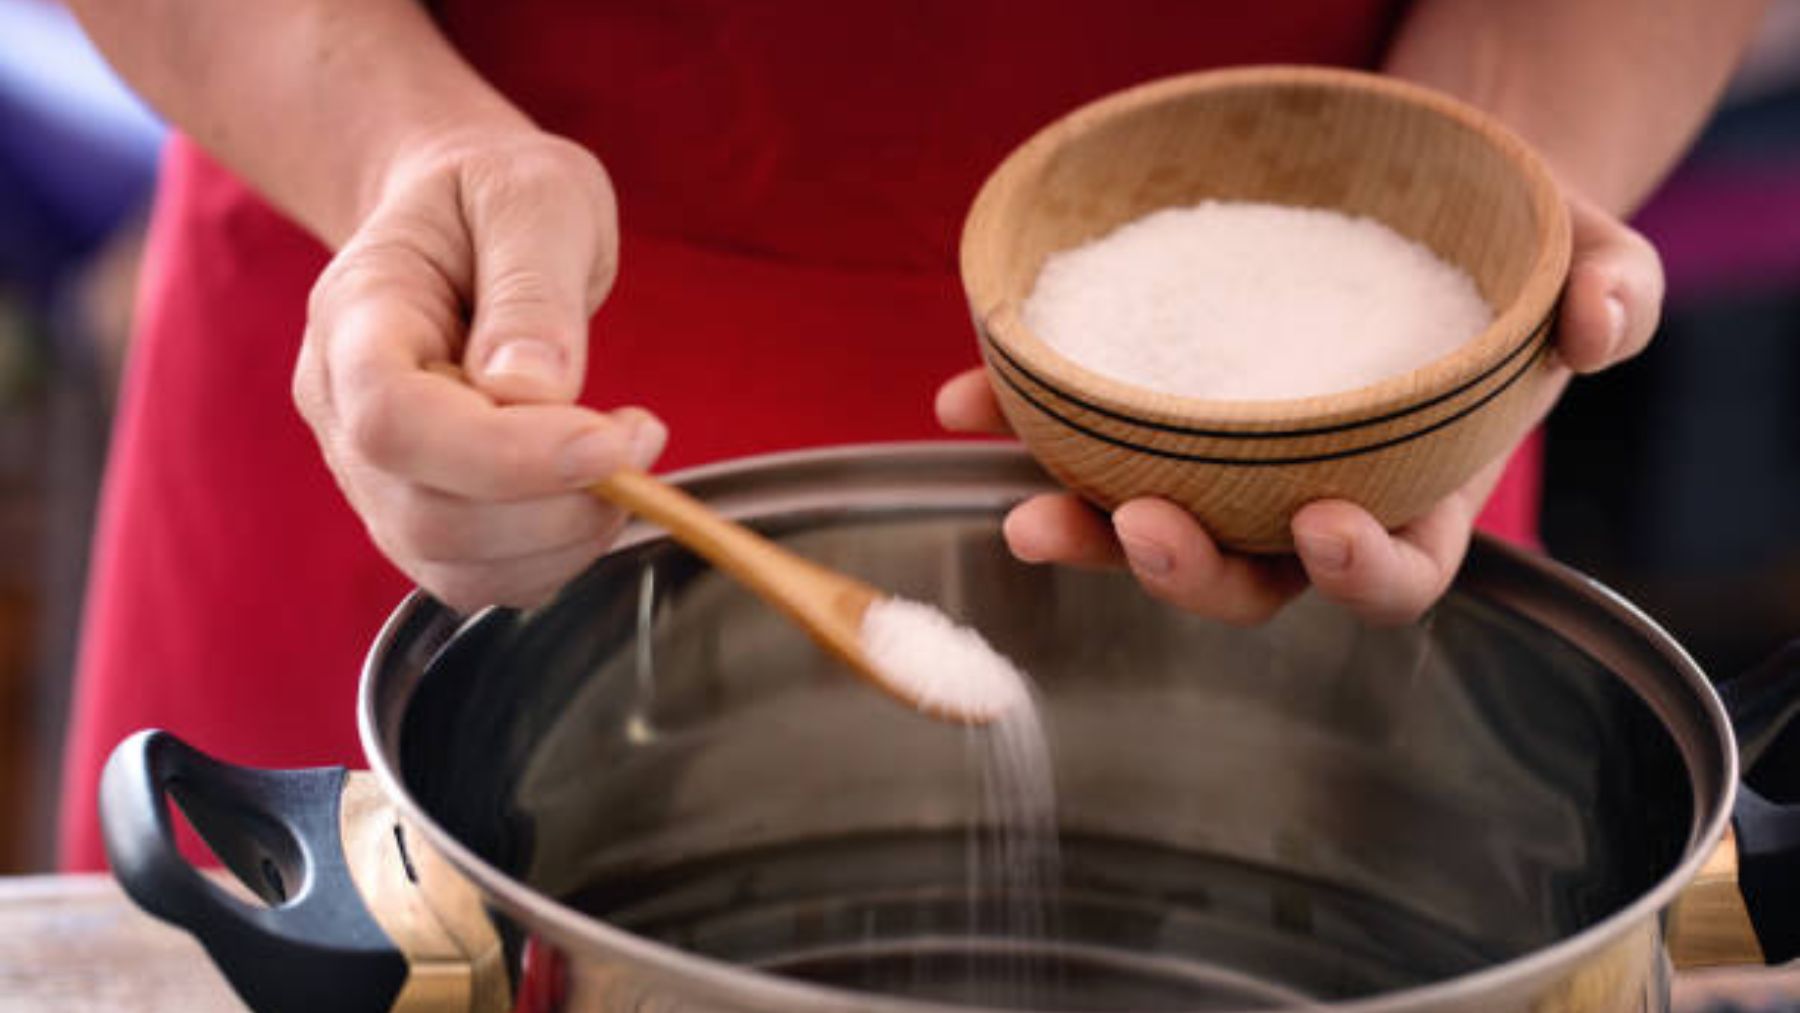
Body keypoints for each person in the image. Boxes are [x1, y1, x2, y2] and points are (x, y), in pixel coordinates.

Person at [56, 0, 1764, 871]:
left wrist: (1499, 176)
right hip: (439, 270)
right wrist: (386, 155)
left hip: (1330, 396)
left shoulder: (1372, 343)